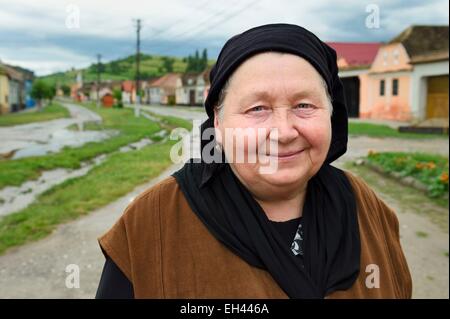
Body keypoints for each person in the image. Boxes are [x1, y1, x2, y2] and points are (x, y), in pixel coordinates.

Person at [95, 23, 412, 299]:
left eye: (304, 105)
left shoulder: (368, 208)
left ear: (332, 114)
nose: (284, 131)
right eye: (257, 109)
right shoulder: (151, 223)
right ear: (218, 124)